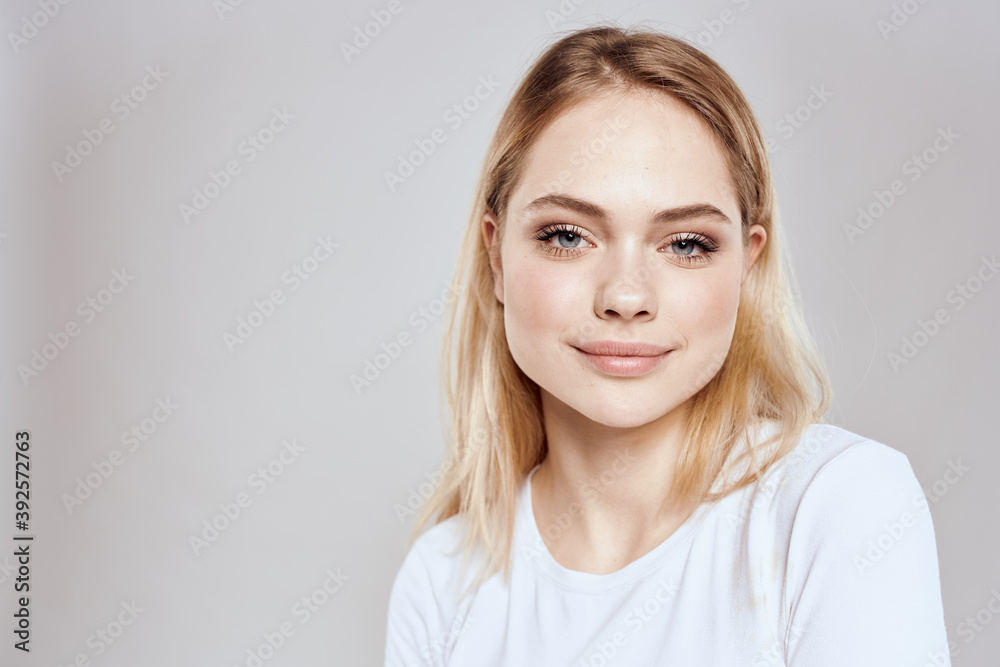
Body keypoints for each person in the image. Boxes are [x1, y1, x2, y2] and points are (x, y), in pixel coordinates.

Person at [384, 24, 950, 666]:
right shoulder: (442, 579)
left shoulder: (836, 506)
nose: (626, 297)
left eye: (686, 243)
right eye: (568, 236)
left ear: (748, 266)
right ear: (496, 255)